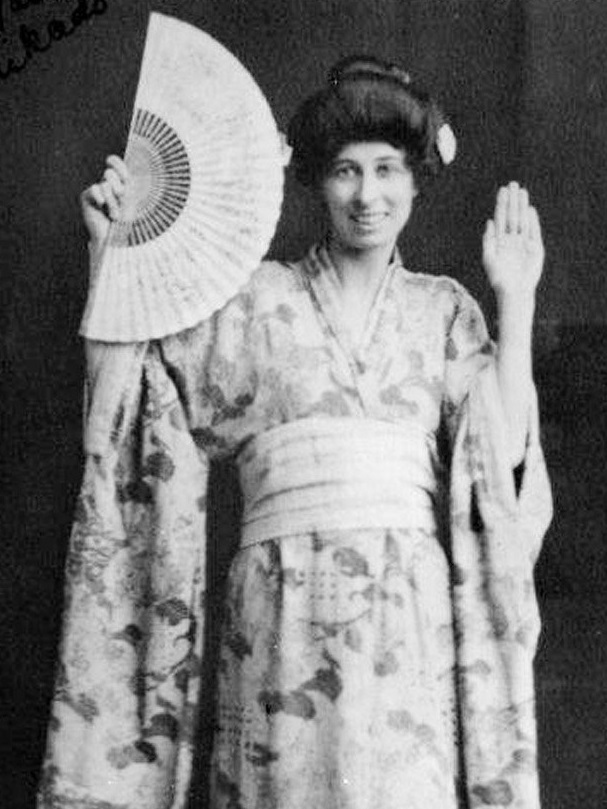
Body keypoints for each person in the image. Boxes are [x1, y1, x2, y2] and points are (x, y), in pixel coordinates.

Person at [38, 56, 552, 809]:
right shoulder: (250, 303)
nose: (367, 196)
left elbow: (498, 476)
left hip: (409, 629)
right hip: (278, 623)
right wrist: (108, 256)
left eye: (386, 170)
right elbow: (137, 409)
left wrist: (515, 301)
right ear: (315, 181)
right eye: (346, 171)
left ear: (415, 180)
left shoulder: (444, 310)